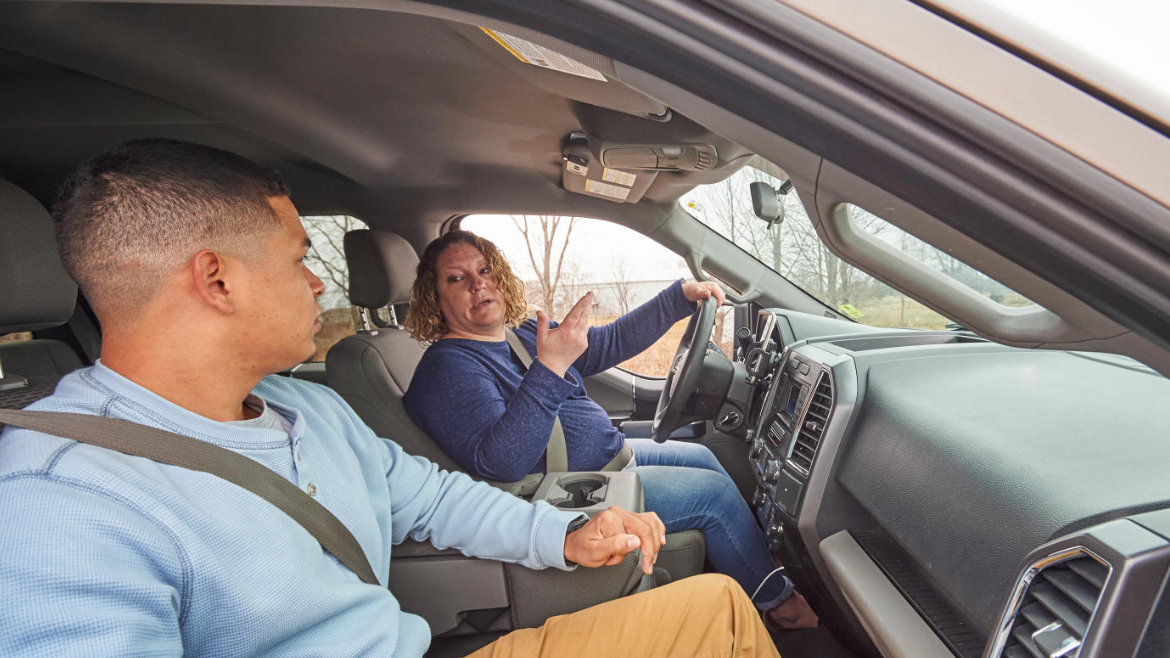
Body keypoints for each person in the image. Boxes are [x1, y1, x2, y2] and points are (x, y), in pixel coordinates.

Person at [0, 139, 781, 657]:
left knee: (715, 609)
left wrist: (567, 537)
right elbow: (497, 460)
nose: (317, 283)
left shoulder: (308, 411)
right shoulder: (56, 503)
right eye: (300, 258)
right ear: (217, 279)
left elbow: (441, 500)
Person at [402, 230, 819, 631]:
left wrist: (677, 299)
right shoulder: (449, 367)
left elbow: (606, 342)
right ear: (435, 299)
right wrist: (550, 367)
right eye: (457, 279)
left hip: (610, 458)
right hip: (565, 491)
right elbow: (503, 462)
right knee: (715, 498)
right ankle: (780, 604)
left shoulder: (521, 335)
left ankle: (754, 562)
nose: (478, 284)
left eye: (485, 270)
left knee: (706, 456)